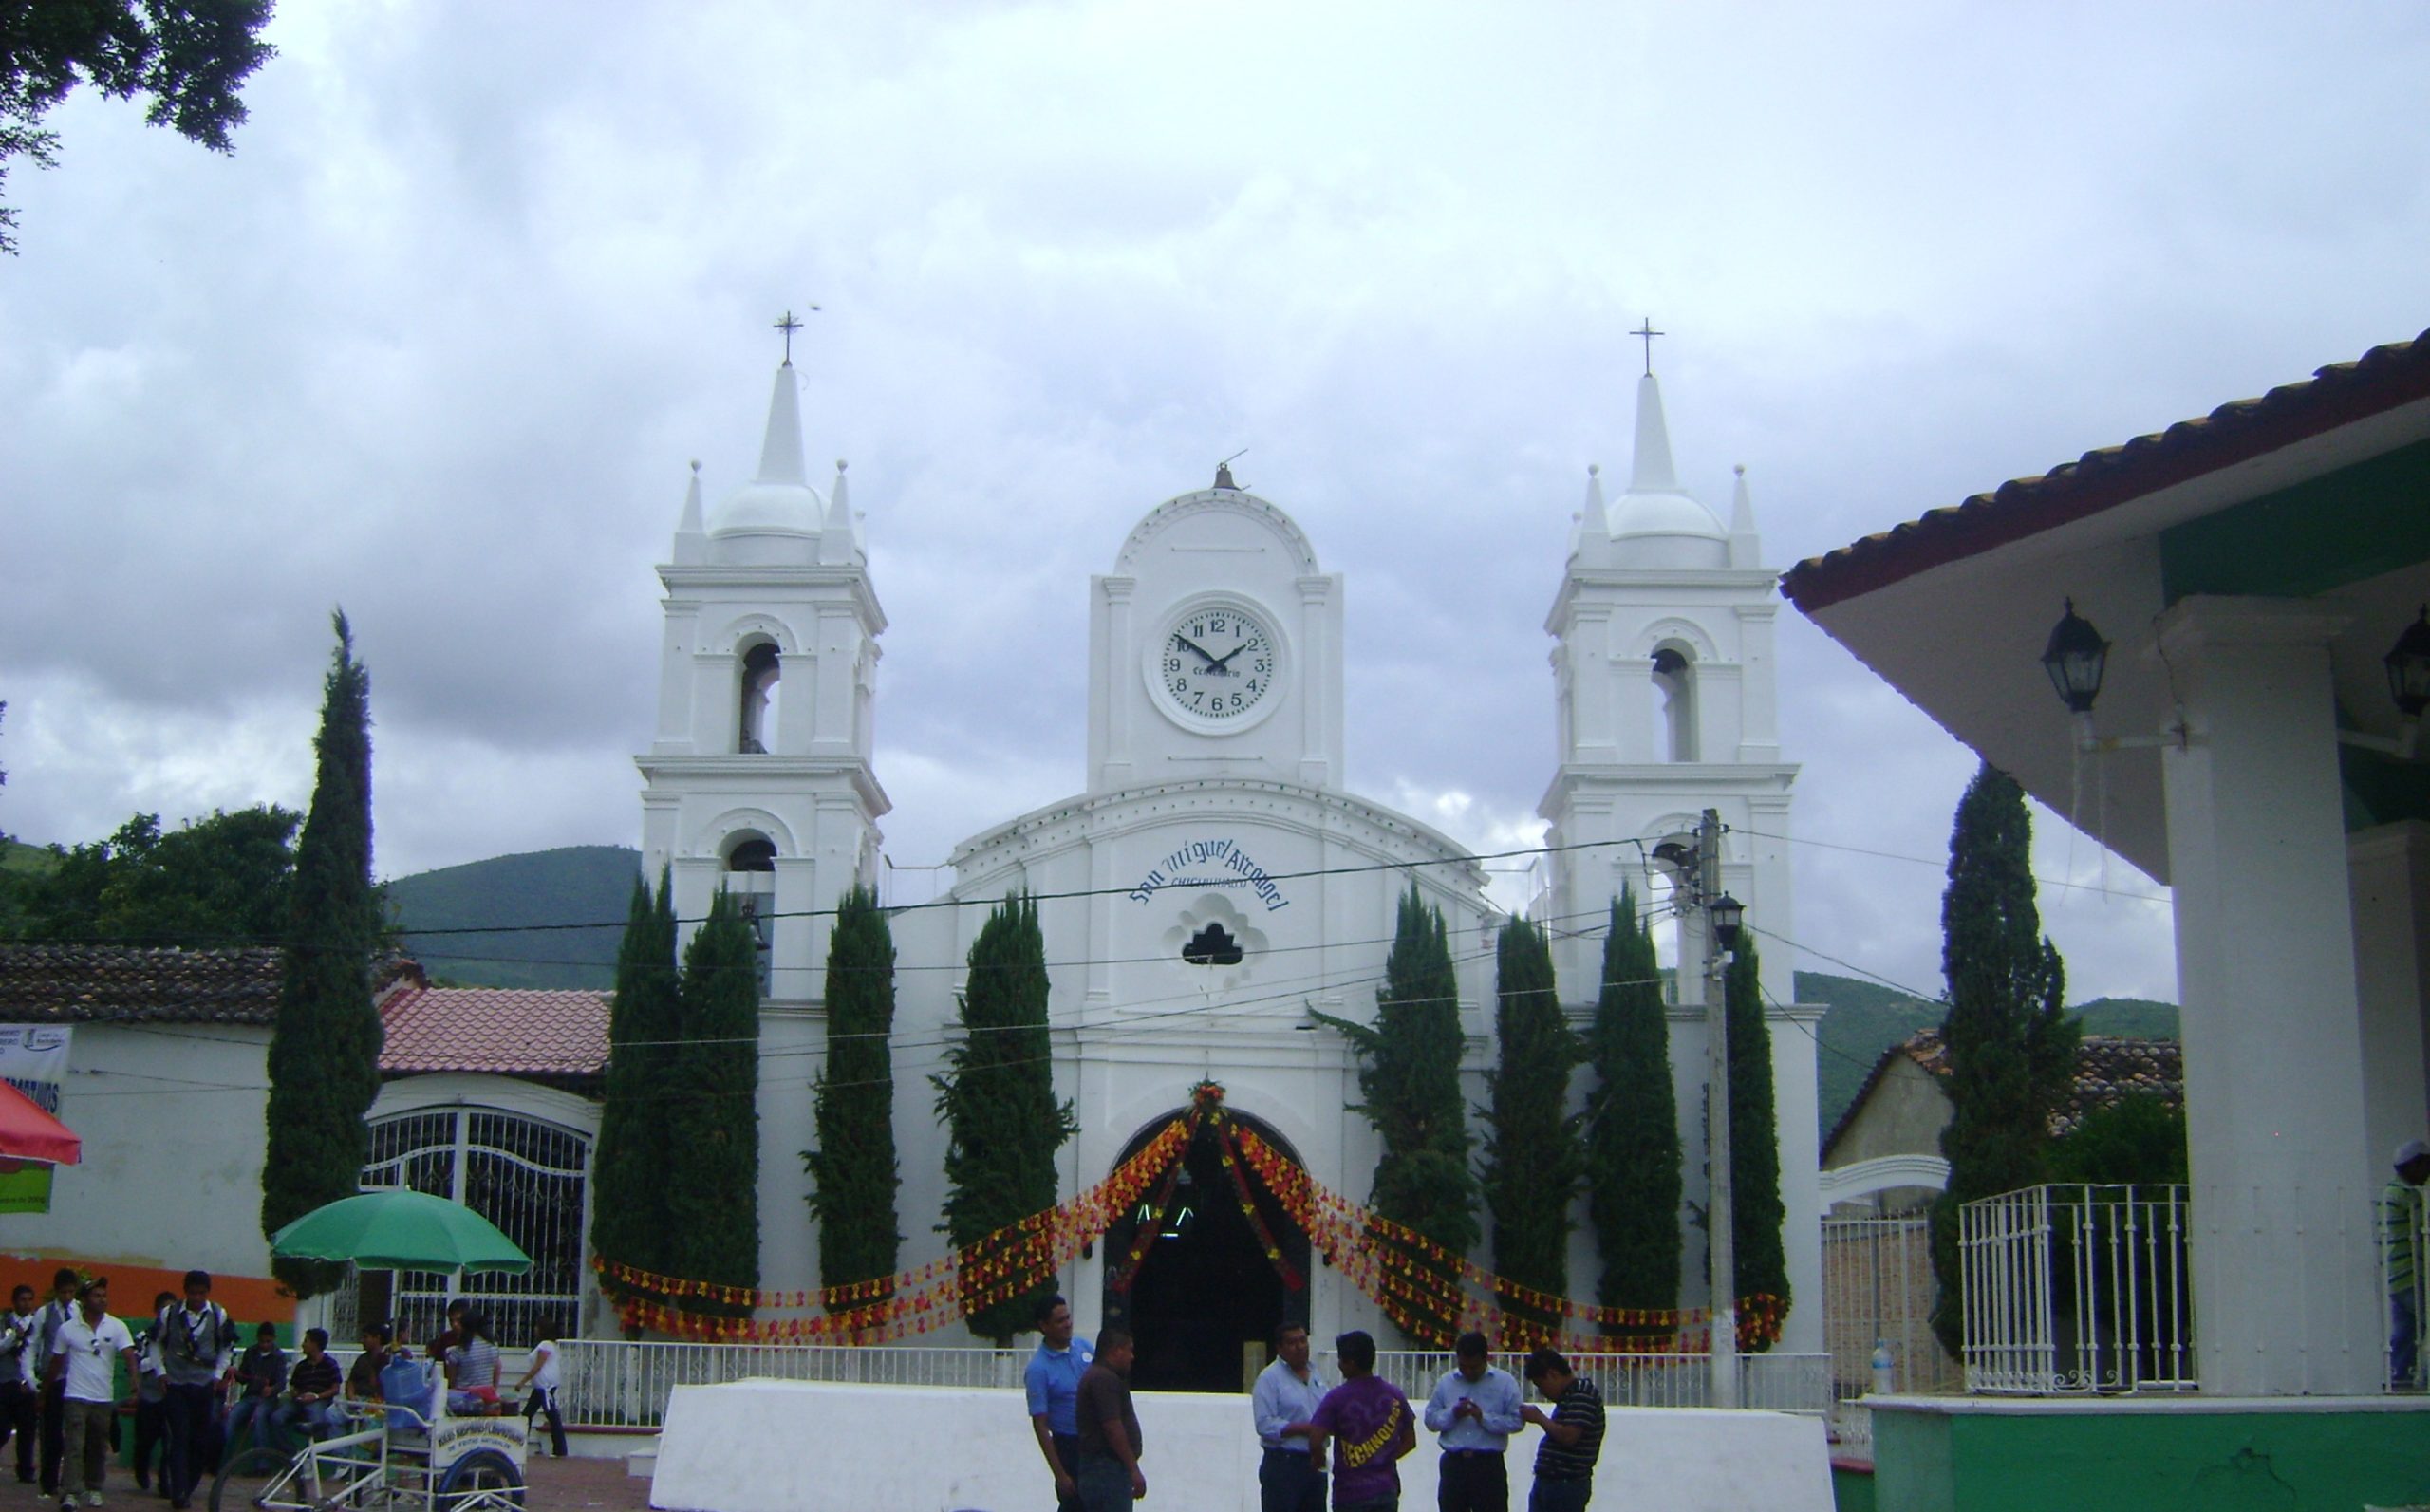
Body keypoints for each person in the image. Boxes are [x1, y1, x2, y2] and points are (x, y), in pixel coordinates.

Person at [47, 1276, 135, 1512]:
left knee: (97, 1445)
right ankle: (71, 1493)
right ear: (84, 1300)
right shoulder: (68, 1329)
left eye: (104, 1295)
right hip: (75, 1395)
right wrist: (45, 1391)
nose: (102, 1300)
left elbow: (129, 1355)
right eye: (96, 1296)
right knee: (74, 1445)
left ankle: (94, 1487)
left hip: (102, 1398)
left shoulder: (117, 1327)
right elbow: (56, 1362)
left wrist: (135, 1383)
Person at [1308, 1330, 1415, 1512]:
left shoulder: (1336, 1398)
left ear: (1350, 1363)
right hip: (1386, 1489)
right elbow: (1410, 1441)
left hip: (1350, 1493)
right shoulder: (1395, 1395)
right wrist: (1383, 1458)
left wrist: (1318, 1459)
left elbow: (1315, 1438)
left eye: (1341, 1360)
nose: (1340, 1365)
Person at [157, 1269, 235, 1510]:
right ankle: (178, 1491)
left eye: (202, 1293)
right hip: (177, 1383)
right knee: (179, 1437)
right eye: (193, 1293)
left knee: (199, 1440)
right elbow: (155, 1342)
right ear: (186, 1292)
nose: (197, 1298)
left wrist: (217, 1375)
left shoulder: (218, 1314)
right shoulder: (170, 1313)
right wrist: (161, 1372)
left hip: (204, 1385)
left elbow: (226, 1347)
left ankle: (189, 1486)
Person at [1424, 1332, 1523, 1512]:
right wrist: (1453, 1414)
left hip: (1488, 1465)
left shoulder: (1504, 1382)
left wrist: (1483, 1418)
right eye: (1463, 1366)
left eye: (1474, 1367)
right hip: (1454, 1465)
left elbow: (1517, 1421)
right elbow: (1430, 1420)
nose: (1468, 1372)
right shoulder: (1446, 1382)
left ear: (1486, 1359)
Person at [1023, 1294, 1094, 1512]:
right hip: (1069, 1445)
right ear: (1044, 1326)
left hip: (1096, 1440)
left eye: (1068, 1317)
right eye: (1060, 1321)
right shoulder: (1038, 1369)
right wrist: (1060, 1474)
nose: (1068, 1324)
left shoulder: (1083, 1347)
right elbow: (1040, 1424)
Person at [1251, 1321, 1329, 1512]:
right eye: (1293, 1343)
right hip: (1284, 1464)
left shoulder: (1316, 1375)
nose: (1300, 1347)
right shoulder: (1269, 1378)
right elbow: (1264, 1424)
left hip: (1315, 1462)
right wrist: (1307, 1429)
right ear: (1280, 1348)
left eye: (1303, 1341)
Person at [1519, 1349, 1605, 1512]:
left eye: (1541, 1385)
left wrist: (1539, 1418)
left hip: (1565, 1484)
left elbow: (1569, 1437)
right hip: (1550, 1482)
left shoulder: (1582, 1394)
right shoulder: (1568, 1397)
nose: (1542, 1392)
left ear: (1552, 1374)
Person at [1074, 1328, 1144, 1512]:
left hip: (1102, 1470)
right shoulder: (1104, 1379)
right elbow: (1112, 1427)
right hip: (1106, 1470)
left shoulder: (1099, 1376)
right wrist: (1133, 1468)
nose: (1132, 1357)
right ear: (1116, 1350)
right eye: (1129, 1350)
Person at [2385, 1139, 2430, 1387]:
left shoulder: (2394, 1189)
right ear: (2415, 1164)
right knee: (2423, 1322)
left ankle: (2400, 1378)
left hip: (2398, 1276)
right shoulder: (2403, 1194)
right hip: (2411, 1273)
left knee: (2405, 1331)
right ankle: (2419, 1377)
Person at [32, 1267, 77, 1499]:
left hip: (75, 1379)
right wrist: (31, 1377)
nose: (68, 1297)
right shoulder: (44, 1313)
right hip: (52, 1378)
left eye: (71, 1292)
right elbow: (33, 1344)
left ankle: (69, 1480)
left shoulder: (80, 1312)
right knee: (51, 1434)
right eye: (63, 1292)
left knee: (74, 1433)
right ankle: (48, 1481)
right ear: (56, 1291)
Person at [130, 1292, 175, 1493]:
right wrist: (158, 1363)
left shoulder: (180, 1338)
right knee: (145, 1440)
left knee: (171, 1441)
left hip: (172, 1396)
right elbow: (136, 1364)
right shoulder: (145, 1336)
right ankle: (141, 1469)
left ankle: (165, 1482)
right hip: (149, 1395)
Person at [225, 1322, 288, 1455]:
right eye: (262, 1341)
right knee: (231, 1417)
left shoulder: (279, 1356)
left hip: (268, 1400)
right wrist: (236, 1373)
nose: (264, 1344)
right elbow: (243, 1379)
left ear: (274, 1339)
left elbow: (281, 1383)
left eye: (268, 1341)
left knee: (259, 1417)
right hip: (249, 1397)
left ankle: (262, 1464)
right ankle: (225, 1460)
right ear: (257, 1338)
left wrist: (271, 1389)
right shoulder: (250, 1352)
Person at [0, 1283, 39, 1484]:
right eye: (23, 1300)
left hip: (27, 1384)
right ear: (14, 1302)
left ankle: (25, 1469)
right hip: (4, 1382)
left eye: (30, 1300)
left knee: (27, 1430)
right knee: (2, 1428)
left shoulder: (37, 1325)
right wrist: (13, 1337)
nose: (27, 1304)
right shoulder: (4, 1323)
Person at [281, 1330, 345, 1442]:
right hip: (300, 1401)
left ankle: (320, 1453)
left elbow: (335, 1389)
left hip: (320, 1401)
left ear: (315, 1344)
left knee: (317, 1418)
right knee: (277, 1417)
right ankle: (287, 1452)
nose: (303, 1345)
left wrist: (316, 1396)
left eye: (306, 1341)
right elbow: (294, 1386)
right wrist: (297, 1395)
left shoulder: (330, 1364)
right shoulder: (301, 1366)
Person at [514, 1334, 567, 1457]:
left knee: (551, 1414)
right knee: (528, 1414)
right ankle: (520, 1445)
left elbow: (538, 1366)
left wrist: (522, 1382)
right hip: (541, 1386)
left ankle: (560, 1449)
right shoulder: (551, 1345)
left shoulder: (546, 1345)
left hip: (544, 1386)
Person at [444, 1310, 500, 1414]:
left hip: (464, 1399)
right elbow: (497, 1370)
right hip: (488, 1398)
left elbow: (451, 1379)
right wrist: (492, 1388)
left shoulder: (458, 1351)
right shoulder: (493, 1347)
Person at [346, 1323, 392, 1405]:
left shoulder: (388, 1360)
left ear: (377, 1338)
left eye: (366, 1337)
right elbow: (351, 1381)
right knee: (332, 1413)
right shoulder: (362, 1359)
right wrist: (351, 1397)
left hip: (376, 1401)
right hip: (357, 1398)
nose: (362, 1341)